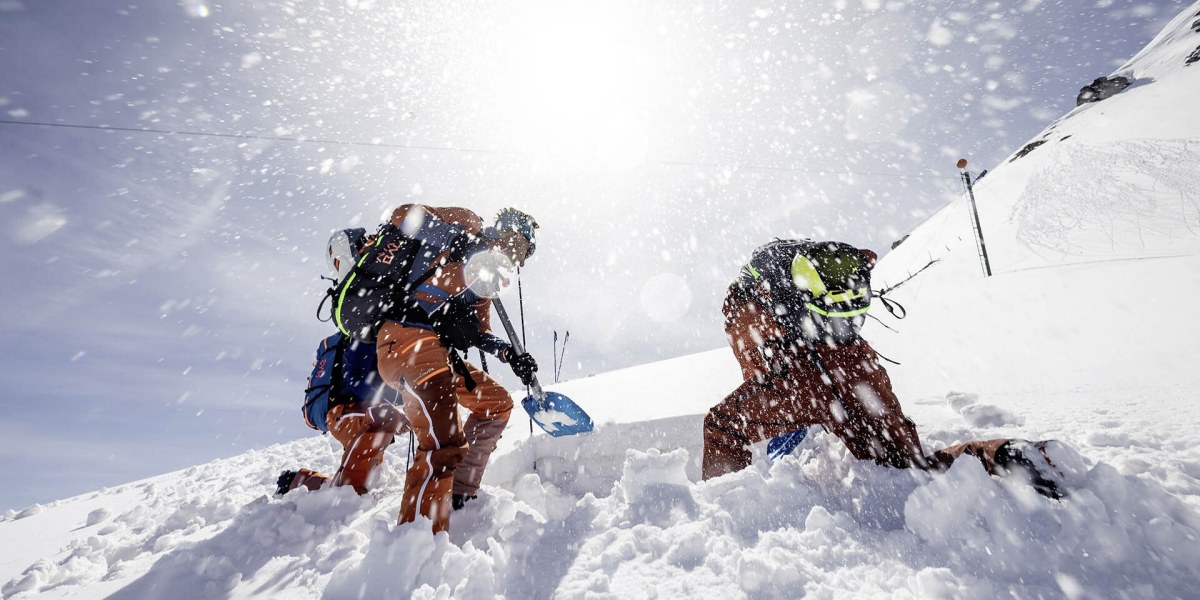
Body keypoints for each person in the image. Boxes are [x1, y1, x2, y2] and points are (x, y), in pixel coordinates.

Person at [702, 239, 1067, 498]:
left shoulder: (760, 298)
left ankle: (727, 510)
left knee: (724, 426)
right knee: (905, 465)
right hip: (846, 360)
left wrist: (787, 392)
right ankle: (997, 453)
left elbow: (762, 361)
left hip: (817, 368)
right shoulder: (799, 279)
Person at [359, 205, 540, 534]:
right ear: (508, 233)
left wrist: (510, 355)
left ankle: (458, 491)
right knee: (443, 443)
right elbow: (402, 216)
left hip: (436, 353)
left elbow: (481, 333)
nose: (521, 261)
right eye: (523, 249)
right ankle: (415, 539)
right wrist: (456, 238)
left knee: (496, 404)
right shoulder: (468, 225)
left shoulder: (485, 283)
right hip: (405, 337)